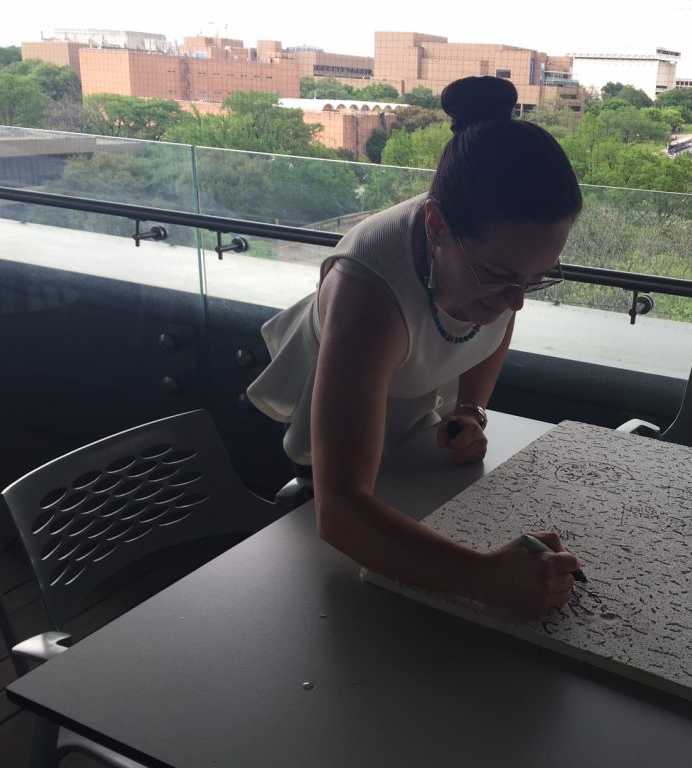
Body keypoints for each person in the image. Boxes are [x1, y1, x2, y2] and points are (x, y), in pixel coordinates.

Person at [247, 76, 585, 619]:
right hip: (333, 464)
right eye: (500, 276)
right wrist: (486, 579)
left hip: (415, 444)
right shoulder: (368, 295)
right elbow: (339, 513)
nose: (516, 301)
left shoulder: (488, 261)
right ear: (435, 225)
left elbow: (495, 324)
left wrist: (470, 409)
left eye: (537, 278)